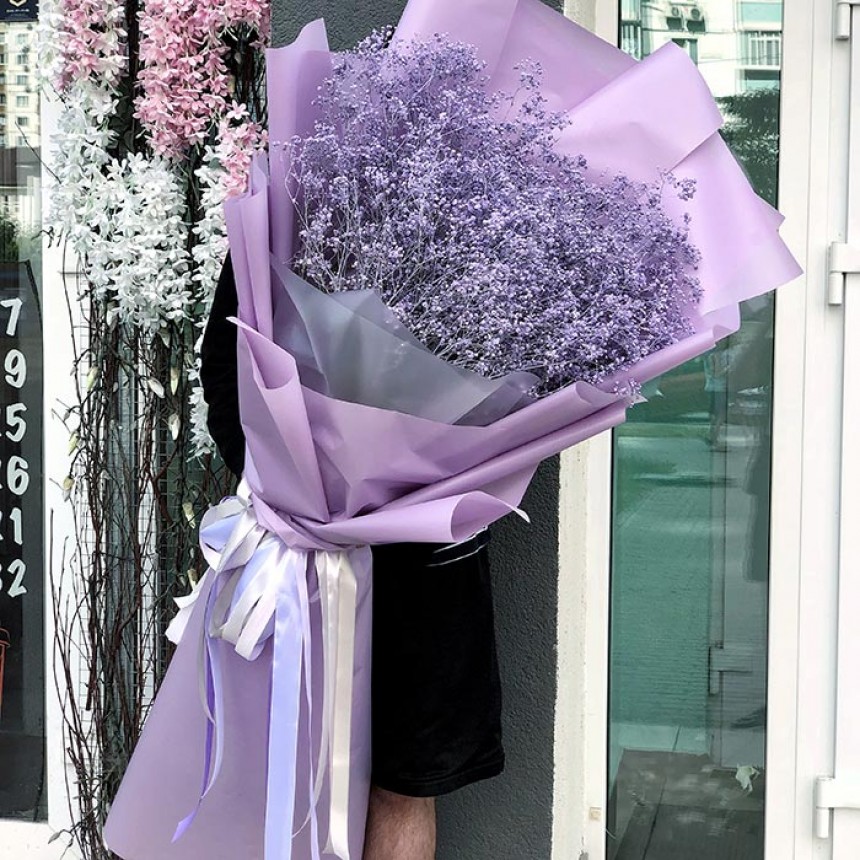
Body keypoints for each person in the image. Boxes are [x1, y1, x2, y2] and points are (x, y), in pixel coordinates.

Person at [199, 252, 505, 860]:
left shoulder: (493, 233)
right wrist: (298, 494)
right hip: (309, 559)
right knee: (319, 775)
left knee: (400, 783)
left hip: (409, 560)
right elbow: (227, 375)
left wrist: (305, 492)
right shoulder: (288, 210)